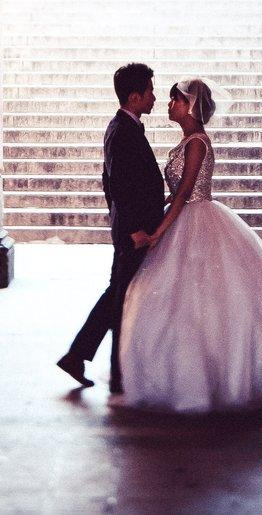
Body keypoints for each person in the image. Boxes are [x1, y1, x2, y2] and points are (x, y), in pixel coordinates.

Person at [115, 78, 262, 413]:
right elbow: (177, 192)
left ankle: (213, 378)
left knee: (204, 301)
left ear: (189, 105)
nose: (168, 105)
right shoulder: (186, 141)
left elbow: (185, 194)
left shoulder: (196, 142)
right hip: (186, 216)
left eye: (174, 100)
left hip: (196, 219)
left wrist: (158, 232)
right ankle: (184, 376)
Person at [57, 61, 166, 392]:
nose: (154, 97)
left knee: (116, 294)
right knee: (119, 298)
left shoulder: (124, 126)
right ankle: (114, 372)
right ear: (134, 97)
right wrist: (133, 228)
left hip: (131, 228)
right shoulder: (122, 132)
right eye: (149, 91)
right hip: (133, 233)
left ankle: (79, 357)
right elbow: (117, 184)